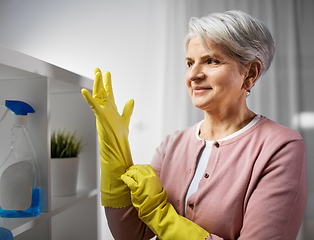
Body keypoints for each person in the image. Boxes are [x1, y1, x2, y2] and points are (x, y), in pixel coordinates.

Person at [82, 10, 307, 240]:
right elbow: (130, 234)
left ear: (250, 73)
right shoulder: (172, 145)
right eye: (190, 63)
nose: (193, 74)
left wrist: (160, 215)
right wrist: (114, 147)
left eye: (211, 61)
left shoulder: (280, 147)